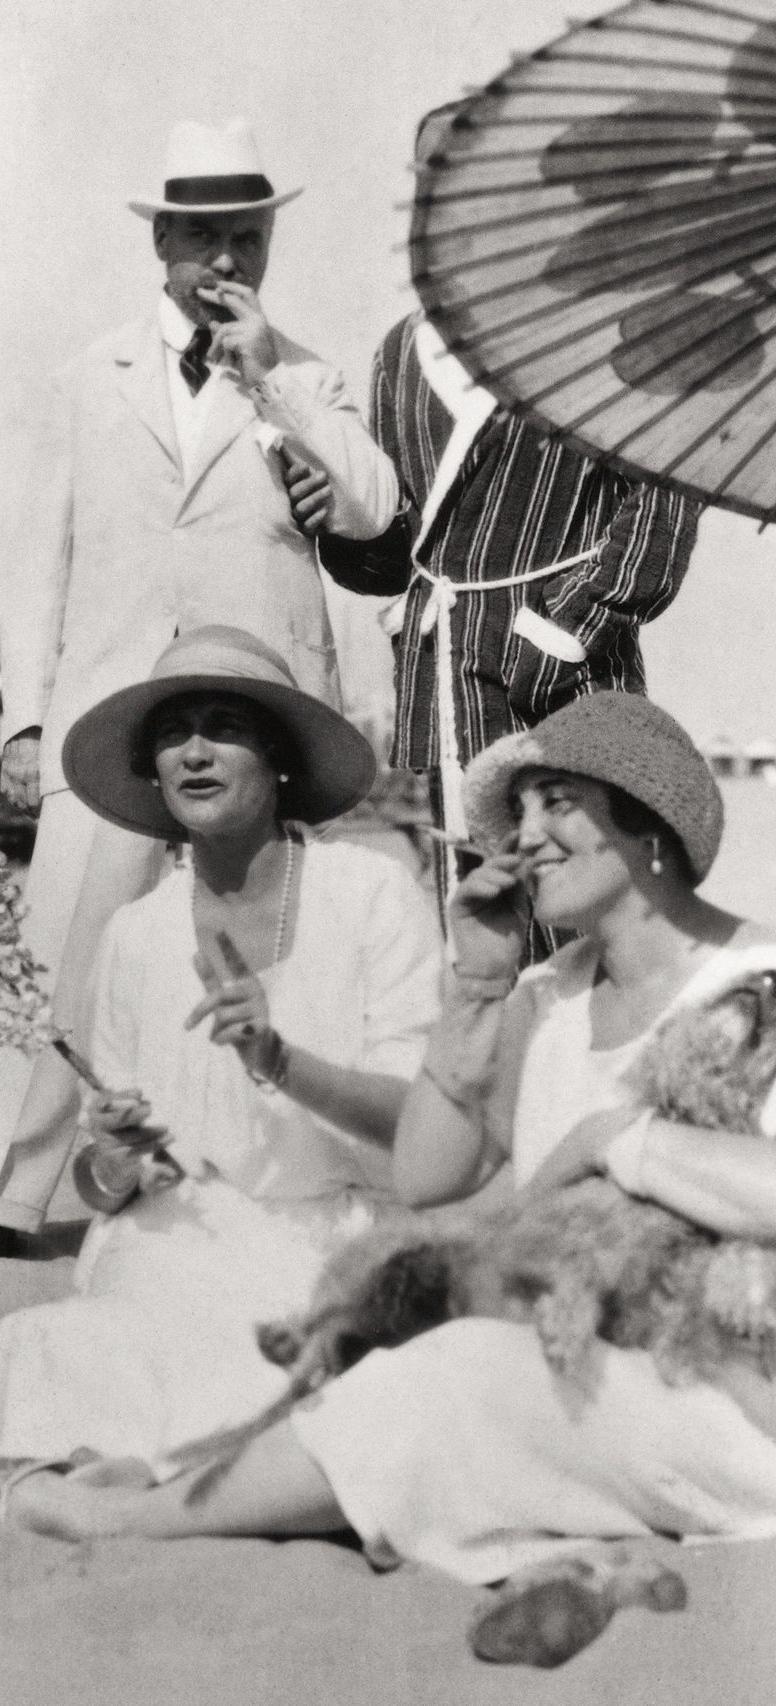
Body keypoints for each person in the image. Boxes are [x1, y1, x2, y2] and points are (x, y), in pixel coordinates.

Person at [5, 691, 776, 1652]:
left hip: (756, 1392)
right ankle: (578, 1565)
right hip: (593, 1361)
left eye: (560, 803)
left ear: (650, 824)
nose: (527, 837)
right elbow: (429, 1174)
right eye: (522, 813)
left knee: (446, 1380)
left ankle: (134, 1519)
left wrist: (614, 1142)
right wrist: (475, 987)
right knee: (411, 1364)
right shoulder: (546, 998)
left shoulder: (770, 972)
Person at [0, 119, 400, 1234]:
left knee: (262, 936)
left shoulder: (309, 373)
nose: (226, 263)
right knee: (86, 943)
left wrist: (277, 384)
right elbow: (36, 559)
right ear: (162, 242)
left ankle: (253, 1175)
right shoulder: (88, 377)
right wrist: (25, 721)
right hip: (114, 706)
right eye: (206, 239)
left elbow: (373, 509)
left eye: (248, 239)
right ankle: (26, 1191)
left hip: (259, 707)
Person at [0, 626, 439, 1468]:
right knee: (54, 1351)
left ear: (278, 759)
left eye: (223, 728)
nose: (194, 754)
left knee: (277, 1367)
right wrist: (121, 1159)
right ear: (154, 773)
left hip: (334, 1240)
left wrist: (282, 1062)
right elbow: (105, 1182)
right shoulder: (137, 933)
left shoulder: (372, 894)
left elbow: (419, 1126)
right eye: (173, 734)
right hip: (172, 1246)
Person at [313, 104, 701, 939]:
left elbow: (663, 500)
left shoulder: (595, 325)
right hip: (439, 673)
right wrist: (336, 515)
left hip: (565, 669)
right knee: (469, 913)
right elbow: (398, 544)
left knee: (592, 895)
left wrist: (568, 631)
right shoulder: (398, 353)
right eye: (430, 176)